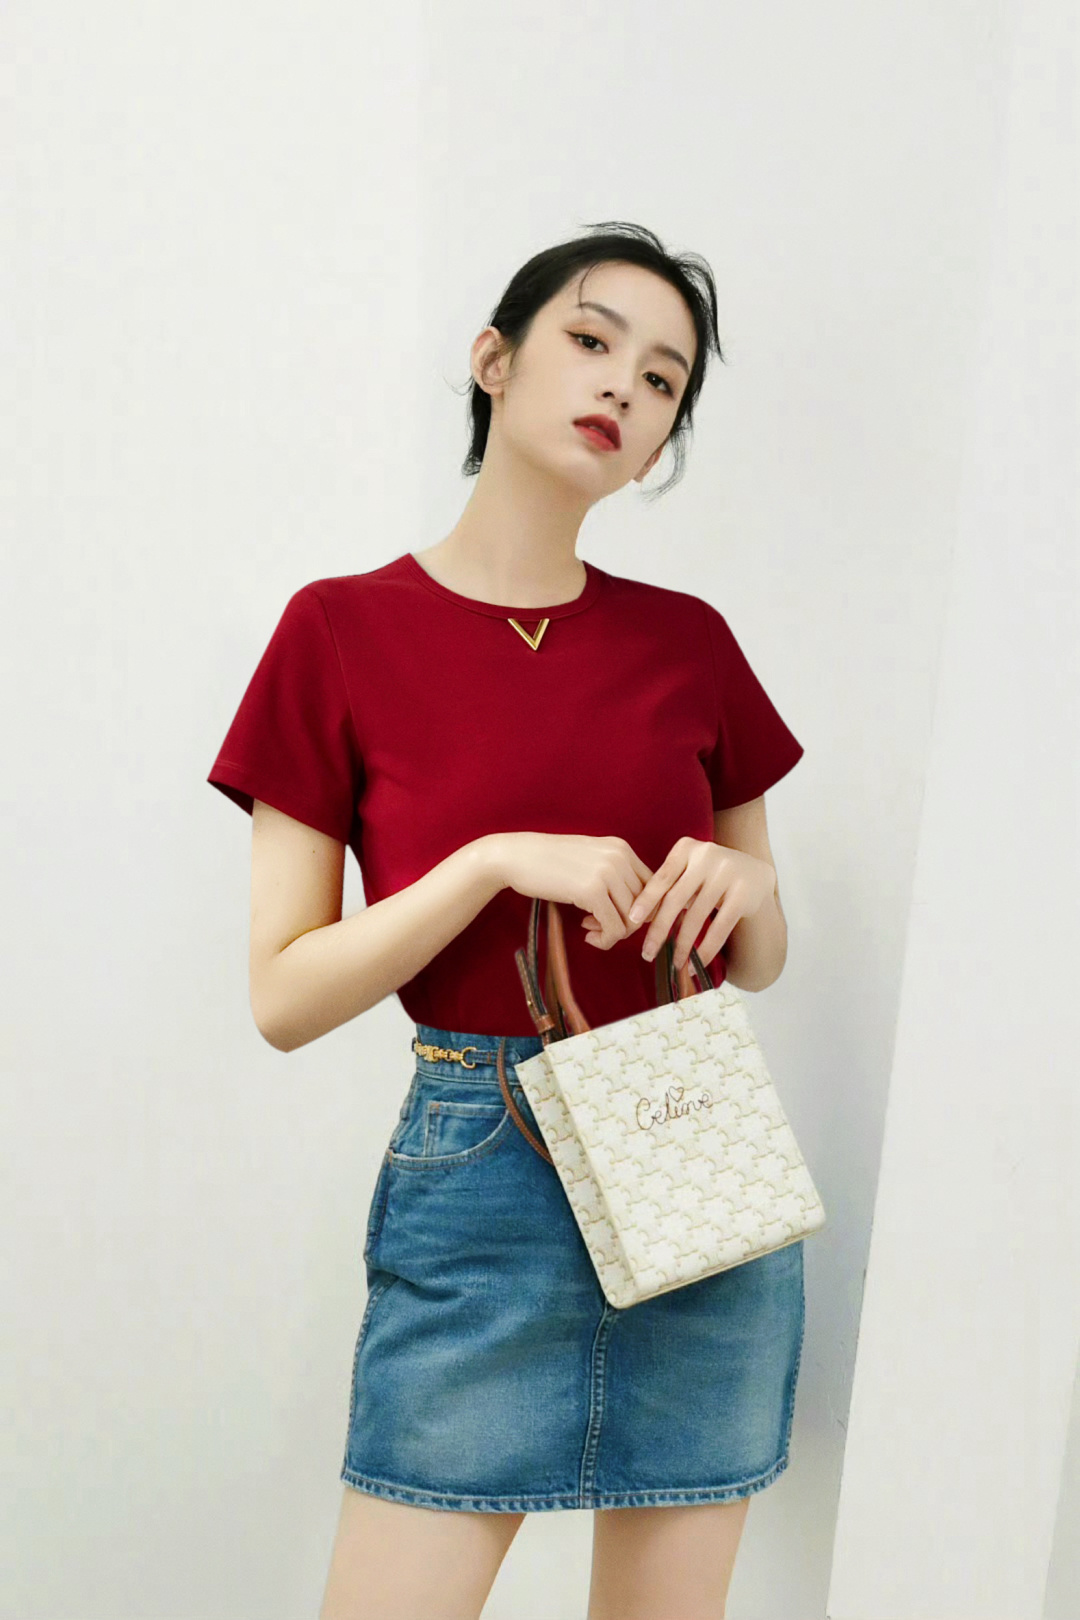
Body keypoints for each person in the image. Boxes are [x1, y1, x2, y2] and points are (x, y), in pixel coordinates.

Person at [207, 222, 807, 1620]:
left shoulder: (688, 641)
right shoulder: (339, 631)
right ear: (494, 360)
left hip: (688, 1130)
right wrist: (485, 865)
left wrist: (758, 893)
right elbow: (283, 997)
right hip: (482, 1154)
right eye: (592, 342)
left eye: (662, 380)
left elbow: (760, 958)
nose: (622, 389)